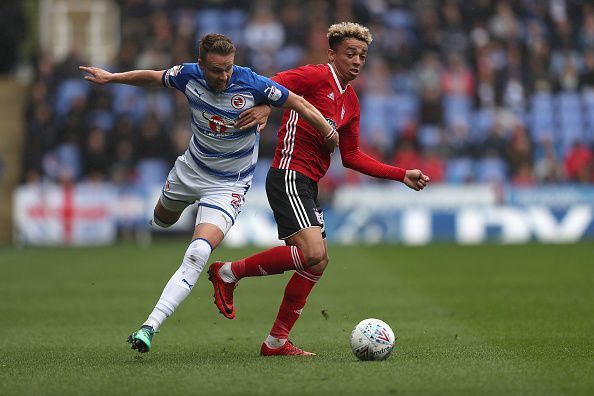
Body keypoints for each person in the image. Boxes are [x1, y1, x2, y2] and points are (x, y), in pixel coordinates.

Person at [79, 33, 339, 354]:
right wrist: (112, 78)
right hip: (190, 170)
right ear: (202, 64)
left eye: (229, 68)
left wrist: (327, 130)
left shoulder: (253, 84)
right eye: (217, 70)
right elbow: (153, 77)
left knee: (198, 252)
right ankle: (169, 211)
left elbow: (297, 101)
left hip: (227, 185)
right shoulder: (187, 75)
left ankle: (149, 327)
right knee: (162, 219)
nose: (225, 76)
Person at [207, 22, 430, 356]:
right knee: (312, 254)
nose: (357, 61)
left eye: (362, 55)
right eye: (350, 53)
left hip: (308, 183)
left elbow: (352, 156)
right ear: (332, 54)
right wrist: (268, 105)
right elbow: (274, 85)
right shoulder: (315, 76)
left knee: (316, 263)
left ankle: (276, 342)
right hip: (288, 174)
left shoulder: (350, 101)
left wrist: (401, 175)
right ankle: (227, 272)